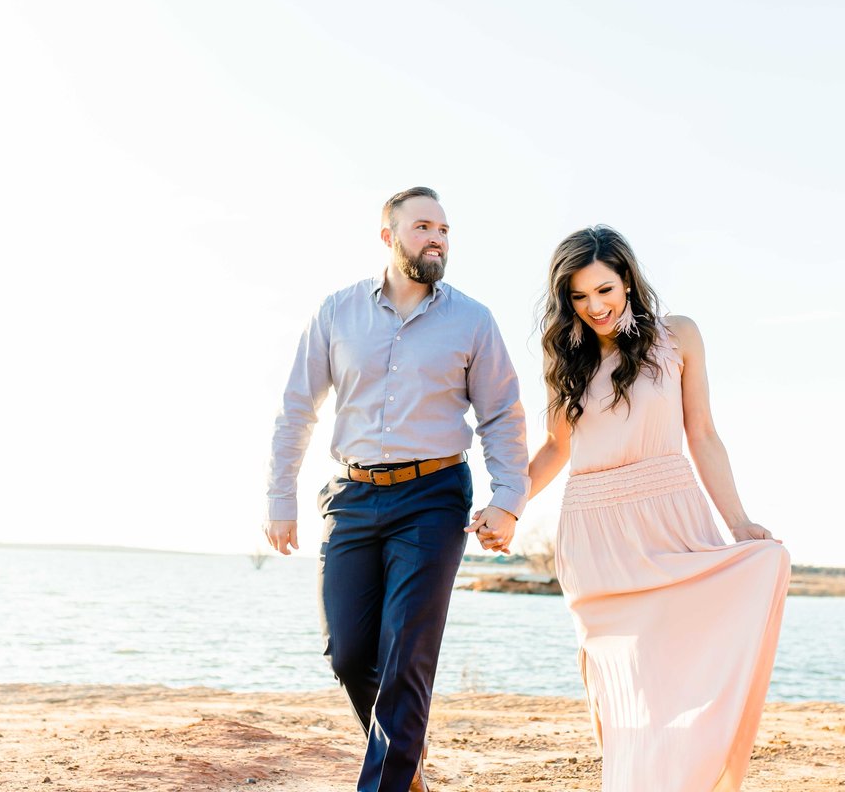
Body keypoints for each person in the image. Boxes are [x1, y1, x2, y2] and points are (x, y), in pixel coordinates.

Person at [503, 225, 789, 791]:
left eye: (605, 290)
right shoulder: (564, 355)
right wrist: (506, 505)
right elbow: (558, 447)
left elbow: (702, 433)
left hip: (673, 517)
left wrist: (738, 522)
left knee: (686, 669)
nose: (595, 307)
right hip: (596, 534)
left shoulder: (678, 335)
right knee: (624, 687)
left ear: (628, 281)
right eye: (579, 298)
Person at [263, 187, 529, 792]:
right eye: (423, 227)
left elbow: (502, 417)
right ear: (389, 237)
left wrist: (508, 499)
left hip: (433, 497)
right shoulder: (337, 312)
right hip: (351, 497)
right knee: (350, 654)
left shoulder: (473, 320)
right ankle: (403, 760)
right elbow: (297, 408)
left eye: (444, 229)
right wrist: (280, 498)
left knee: (407, 653)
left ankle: (388, 773)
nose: (437, 238)